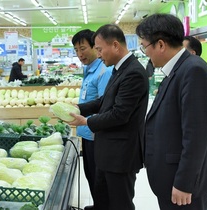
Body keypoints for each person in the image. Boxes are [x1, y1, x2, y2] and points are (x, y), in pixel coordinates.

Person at [136, 13, 207, 210]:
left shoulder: (193, 70)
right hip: (171, 176)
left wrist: (184, 183)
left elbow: (196, 134)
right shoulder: (177, 69)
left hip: (184, 185)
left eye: (145, 46)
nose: (145, 53)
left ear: (160, 44)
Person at [69, 24, 149, 210]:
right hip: (108, 151)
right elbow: (104, 101)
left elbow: (119, 114)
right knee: (104, 199)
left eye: (99, 49)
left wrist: (87, 121)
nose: (98, 55)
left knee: (120, 202)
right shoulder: (118, 69)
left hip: (121, 154)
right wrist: (78, 108)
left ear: (115, 45)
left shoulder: (134, 72)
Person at [71, 29, 112, 209]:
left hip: (97, 135)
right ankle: (97, 206)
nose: (80, 54)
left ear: (95, 47)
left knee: (99, 181)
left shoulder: (104, 71)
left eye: (83, 48)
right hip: (87, 134)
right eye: (76, 50)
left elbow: (105, 106)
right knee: (91, 175)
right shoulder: (89, 70)